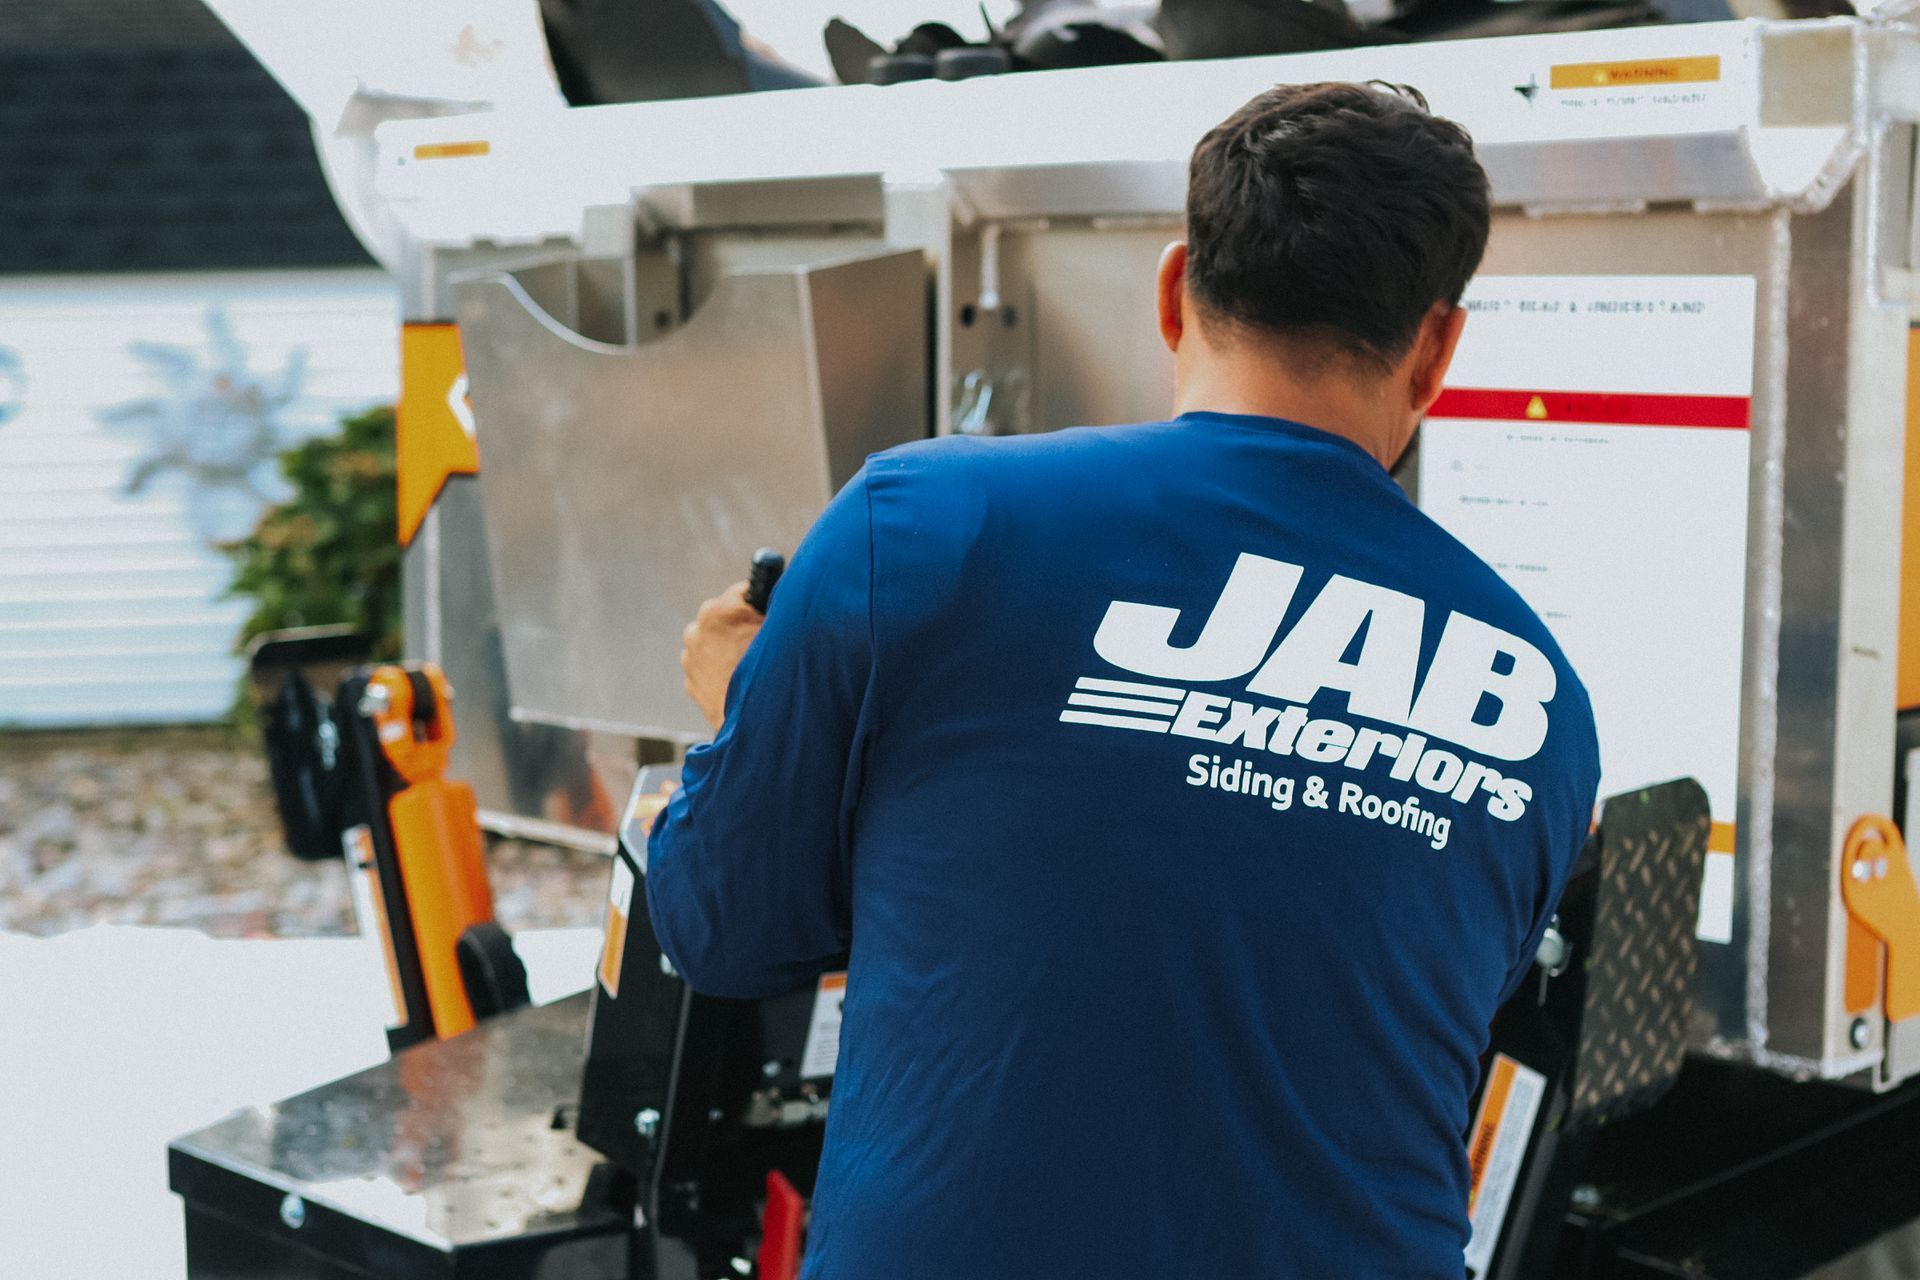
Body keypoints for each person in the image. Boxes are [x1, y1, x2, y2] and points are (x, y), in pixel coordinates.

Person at [647, 81, 1601, 1279]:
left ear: (1172, 289)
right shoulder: (1538, 694)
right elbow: (1376, 983)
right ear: (1438, 349)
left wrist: (756, 704)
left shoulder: (924, 521)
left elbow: (726, 929)